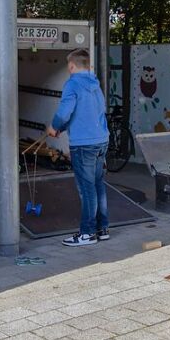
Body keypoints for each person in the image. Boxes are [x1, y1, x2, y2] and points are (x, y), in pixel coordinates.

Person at [47, 49, 109, 247]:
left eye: (68, 66)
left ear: (72, 66)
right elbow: (95, 112)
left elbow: (65, 112)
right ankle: (102, 229)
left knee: (86, 189)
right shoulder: (95, 85)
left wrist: (55, 127)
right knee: (98, 184)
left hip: (84, 145)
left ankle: (87, 233)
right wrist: (62, 128)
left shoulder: (72, 84)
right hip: (101, 141)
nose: (68, 69)